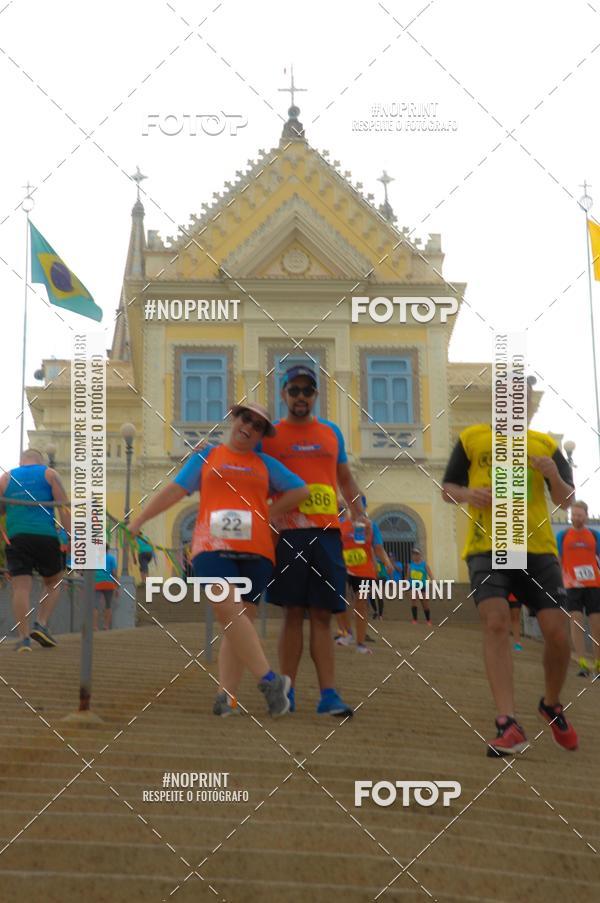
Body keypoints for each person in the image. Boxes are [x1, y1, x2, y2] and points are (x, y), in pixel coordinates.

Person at [128, 402, 309, 718]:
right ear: (234, 418)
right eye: (245, 418)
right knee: (227, 608)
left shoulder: (265, 464)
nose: (248, 426)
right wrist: (140, 519)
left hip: (256, 551)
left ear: (261, 435)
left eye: (257, 425)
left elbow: (300, 490)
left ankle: (226, 698)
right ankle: (269, 680)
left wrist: (266, 513)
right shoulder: (206, 456)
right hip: (211, 546)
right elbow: (175, 490)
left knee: (236, 625)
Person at [441, 379, 578, 756]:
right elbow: (447, 488)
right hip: (487, 546)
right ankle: (508, 722)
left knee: (557, 633)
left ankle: (550, 704)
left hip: (537, 549)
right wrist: (469, 494)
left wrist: (553, 474)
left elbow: (567, 500)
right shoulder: (472, 438)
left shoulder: (544, 444)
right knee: (497, 621)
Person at [259, 364, 369, 716]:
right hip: (287, 534)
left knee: (322, 615)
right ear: (283, 395)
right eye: (294, 391)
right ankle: (286, 693)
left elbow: (346, 479)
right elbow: (249, 469)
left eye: (308, 391)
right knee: (292, 613)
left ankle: (329, 695)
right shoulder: (270, 435)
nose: (301, 397)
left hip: (327, 535)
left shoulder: (331, 433)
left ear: (316, 395)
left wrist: (359, 511)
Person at [0, 449, 70, 652]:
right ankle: (41, 623)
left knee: (21, 588)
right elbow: (63, 507)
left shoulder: (6, 477)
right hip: (45, 536)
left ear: (21, 461)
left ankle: (24, 638)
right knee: (54, 581)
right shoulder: (49, 474)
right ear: (40, 460)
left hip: (17, 537)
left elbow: (1, 508)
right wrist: (71, 536)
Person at [338, 499, 392, 653]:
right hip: (344, 567)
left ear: (364, 507)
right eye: (353, 505)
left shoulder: (371, 525)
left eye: (360, 506)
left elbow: (378, 547)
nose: (356, 509)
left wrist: (387, 562)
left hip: (364, 570)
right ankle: (347, 632)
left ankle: (360, 643)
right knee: (340, 599)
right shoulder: (341, 523)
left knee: (361, 604)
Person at [557, 500, 600, 678]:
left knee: (596, 623)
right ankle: (582, 663)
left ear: (586, 515)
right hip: (572, 585)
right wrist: (560, 580)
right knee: (576, 620)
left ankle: (598, 663)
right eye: (573, 515)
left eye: (579, 515)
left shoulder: (595, 535)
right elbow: (559, 558)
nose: (576, 518)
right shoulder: (563, 535)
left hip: (593, 584)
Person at [94, 543, 118, 631]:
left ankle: (95, 626)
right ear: (108, 549)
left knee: (95, 606)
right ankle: (106, 626)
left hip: (97, 583)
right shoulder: (111, 558)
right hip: (109, 583)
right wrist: (117, 587)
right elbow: (114, 573)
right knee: (108, 605)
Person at [408, 548, 434, 626]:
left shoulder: (424, 565)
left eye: (416, 554)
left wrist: (433, 581)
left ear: (420, 555)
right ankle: (415, 620)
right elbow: (408, 576)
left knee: (425, 604)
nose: (415, 556)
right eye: (414, 554)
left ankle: (428, 620)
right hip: (413, 586)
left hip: (422, 586)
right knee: (414, 601)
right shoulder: (410, 565)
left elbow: (430, 574)